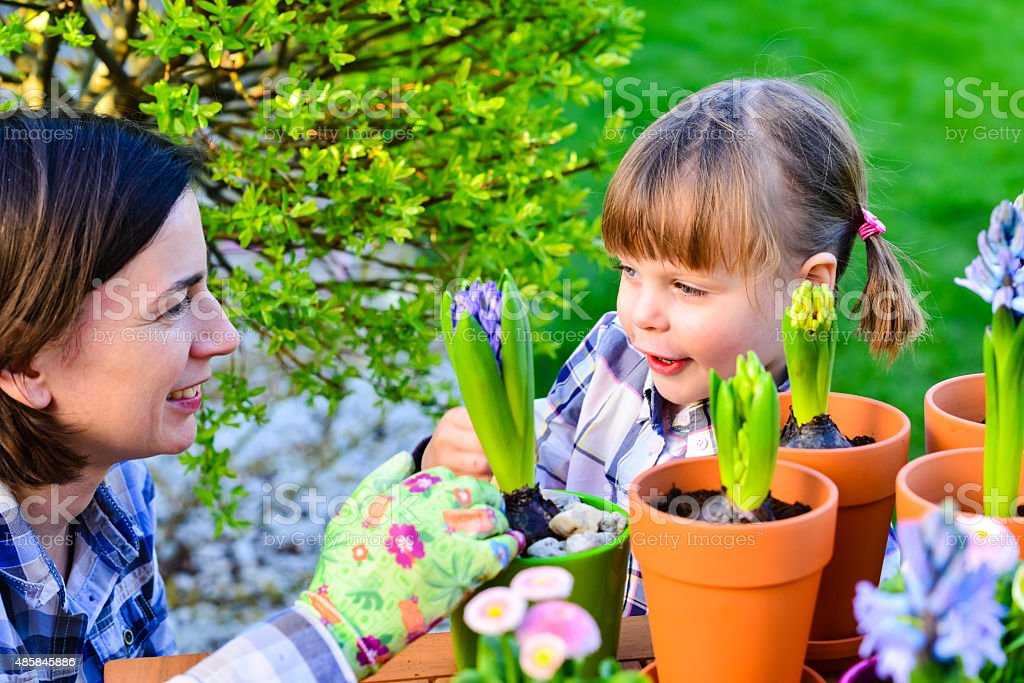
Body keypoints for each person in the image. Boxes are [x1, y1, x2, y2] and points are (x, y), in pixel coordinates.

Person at [0, 111, 522, 683]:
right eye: (172, 307)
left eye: (204, 291)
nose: (224, 338)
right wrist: (337, 625)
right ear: (26, 364)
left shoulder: (110, 485)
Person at [421, 77, 927, 615]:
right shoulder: (613, 359)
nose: (641, 315)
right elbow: (532, 480)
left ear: (807, 288)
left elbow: (872, 612)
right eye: (629, 269)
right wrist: (451, 462)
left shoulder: (813, 470)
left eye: (687, 286)